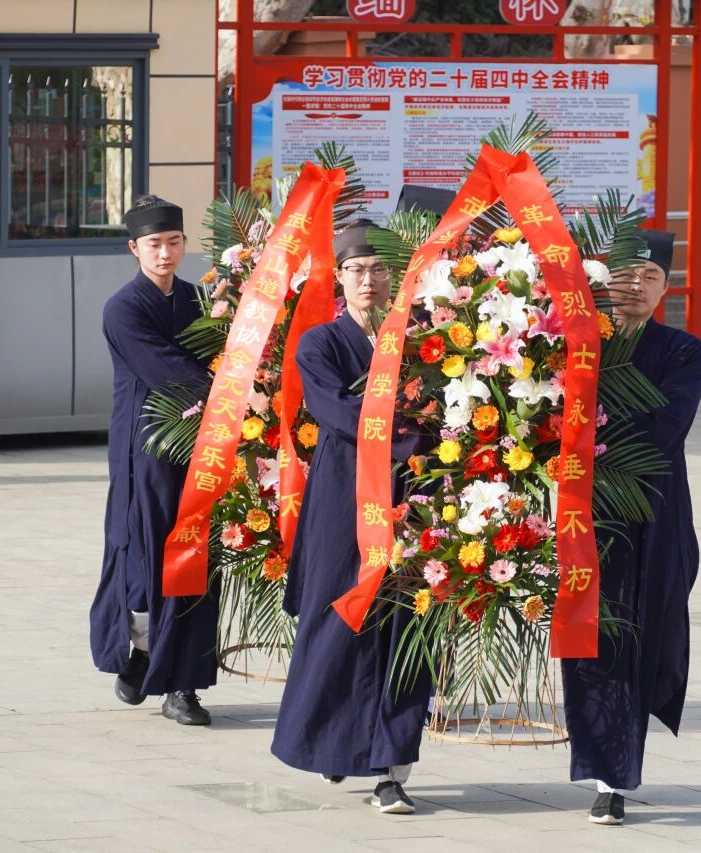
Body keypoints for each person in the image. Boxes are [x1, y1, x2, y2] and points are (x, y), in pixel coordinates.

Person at [270, 220, 431, 815]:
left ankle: (391, 769)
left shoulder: (420, 340)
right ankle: (330, 745)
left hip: (410, 501)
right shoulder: (319, 343)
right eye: (357, 270)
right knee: (337, 619)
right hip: (344, 503)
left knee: (405, 629)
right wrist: (410, 435)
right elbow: (336, 412)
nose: (369, 279)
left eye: (379, 269)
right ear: (339, 279)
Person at [561, 229, 701, 826]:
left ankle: (614, 775)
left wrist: (590, 422)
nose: (638, 287)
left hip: (652, 513)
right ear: (603, 281)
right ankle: (605, 768)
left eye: (652, 278)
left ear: (665, 289)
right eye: (628, 276)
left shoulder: (681, 350)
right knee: (588, 640)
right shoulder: (573, 342)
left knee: (637, 639)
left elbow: (666, 426)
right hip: (578, 511)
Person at [89, 195, 220, 726]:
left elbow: (222, 350)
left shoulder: (198, 299)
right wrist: (228, 389)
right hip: (146, 450)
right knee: (145, 565)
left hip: (201, 448)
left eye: (173, 243)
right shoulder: (123, 308)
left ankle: (183, 685)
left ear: (185, 245)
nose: (164, 253)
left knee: (196, 560)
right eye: (153, 244)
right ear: (134, 248)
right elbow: (168, 369)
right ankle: (140, 649)